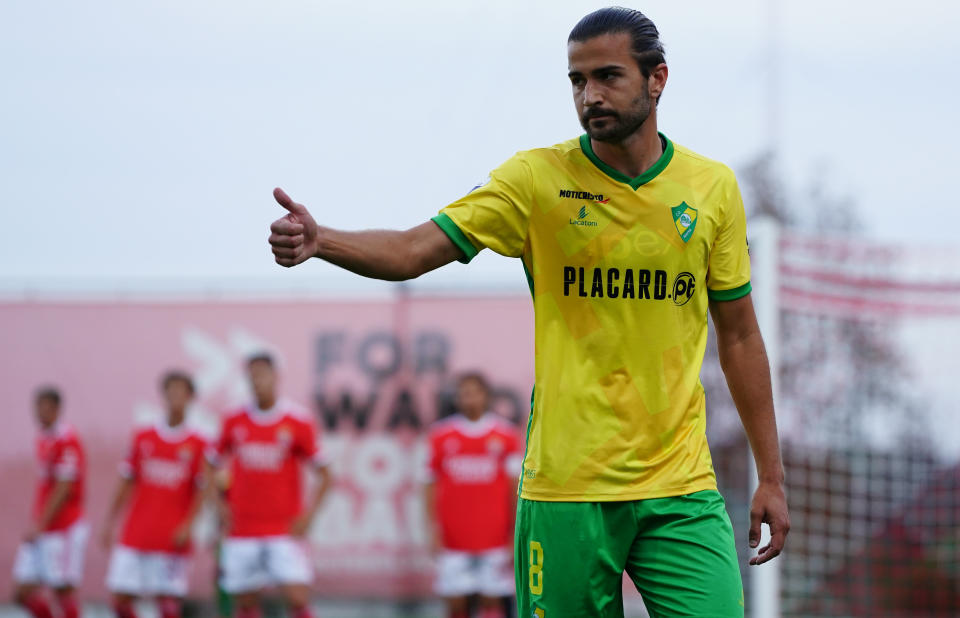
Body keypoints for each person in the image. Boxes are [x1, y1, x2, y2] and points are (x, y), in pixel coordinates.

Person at [266, 7, 789, 616]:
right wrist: (321, 239)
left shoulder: (712, 189)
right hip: (567, 491)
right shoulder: (536, 180)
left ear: (658, 79)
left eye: (608, 77)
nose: (589, 95)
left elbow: (742, 338)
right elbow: (413, 250)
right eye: (576, 80)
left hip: (681, 488)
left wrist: (771, 474)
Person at [207, 353, 331, 618]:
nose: (258, 381)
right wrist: (218, 506)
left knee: (298, 598)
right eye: (252, 376)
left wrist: (309, 516)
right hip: (242, 527)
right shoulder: (233, 419)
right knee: (246, 602)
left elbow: (325, 473)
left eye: (263, 374)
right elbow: (210, 465)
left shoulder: (297, 420)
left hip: (284, 527)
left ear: (276, 377)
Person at [100, 371, 208, 618]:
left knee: (168, 603)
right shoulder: (143, 437)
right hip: (136, 531)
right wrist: (110, 520)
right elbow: (126, 481)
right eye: (170, 391)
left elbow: (203, 490)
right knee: (120, 599)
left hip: (171, 535)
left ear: (191, 397)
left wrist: (189, 525)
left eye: (181, 391)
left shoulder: (199, 443)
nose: (175, 397)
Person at [423, 373, 521, 618]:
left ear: (486, 396)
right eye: (463, 393)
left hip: (494, 535)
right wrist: (432, 528)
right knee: (456, 602)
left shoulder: (506, 435)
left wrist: (514, 531)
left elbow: (515, 487)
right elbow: (429, 484)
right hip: (454, 536)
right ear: (457, 398)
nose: (469, 398)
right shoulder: (441, 435)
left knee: (492, 600)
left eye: (474, 392)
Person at [12, 387, 88, 618]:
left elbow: (63, 488)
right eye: (36, 406)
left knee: (62, 590)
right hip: (43, 528)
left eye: (44, 406)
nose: (39, 411)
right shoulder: (44, 438)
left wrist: (40, 524)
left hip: (63, 527)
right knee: (21, 593)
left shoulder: (67, 440)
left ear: (56, 408)